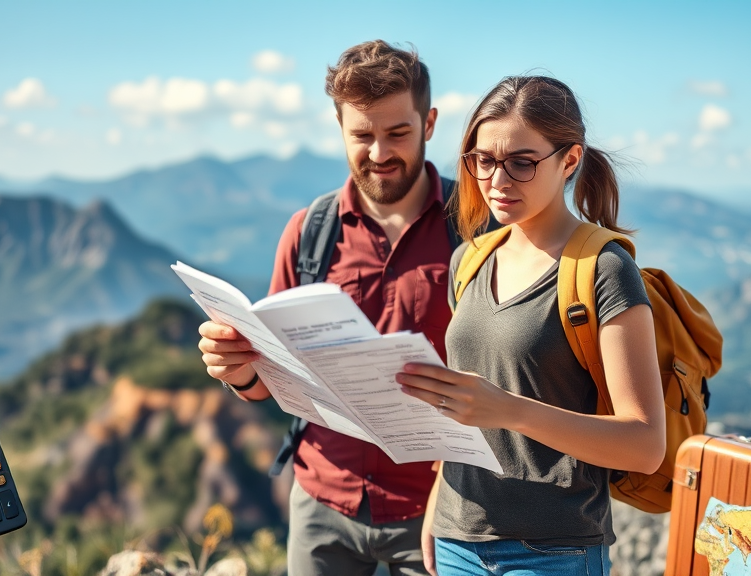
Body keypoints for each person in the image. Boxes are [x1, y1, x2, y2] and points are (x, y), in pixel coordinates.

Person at [197, 40, 454, 576]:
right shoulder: (308, 233)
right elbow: (271, 380)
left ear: (429, 123)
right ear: (339, 128)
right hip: (320, 503)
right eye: (362, 135)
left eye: (398, 133)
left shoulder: (475, 233)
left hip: (437, 509)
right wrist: (238, 371)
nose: (379, 153)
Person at [396, 76, 666, 576]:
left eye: (522, 162)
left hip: (553, 551)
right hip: (458, 538)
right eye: (483, 160)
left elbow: (645, 445)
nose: (498, 181)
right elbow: (462, 411)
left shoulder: (603, 268)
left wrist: (507, 410)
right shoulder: (470, 261)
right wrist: (438, 503)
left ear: (569, 159)